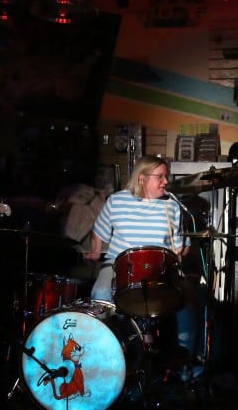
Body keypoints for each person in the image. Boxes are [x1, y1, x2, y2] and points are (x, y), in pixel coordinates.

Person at [83, 155, 199, 385]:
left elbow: (180, 246)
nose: (166, 182)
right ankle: (102, 360)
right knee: (100, 295)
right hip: (119, 265)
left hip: (161, 268)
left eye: (167, 176)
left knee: (187, 303)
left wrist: (181, 252)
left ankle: (185, 363)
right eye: (160, 177)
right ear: (142, 178)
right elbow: (99, 231)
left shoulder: (172, 206)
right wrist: (96, 251)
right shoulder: (117, 201)